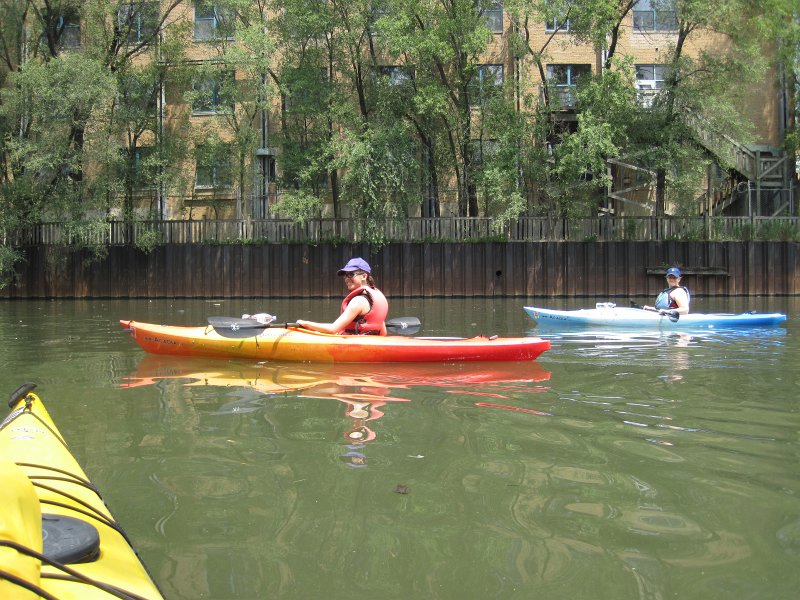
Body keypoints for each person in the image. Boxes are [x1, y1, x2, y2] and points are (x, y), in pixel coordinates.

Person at [296, 257, 389, 335]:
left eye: (351, 274)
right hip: (371, 344)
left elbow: (332, 329)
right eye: (345, 275)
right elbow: (383, 333)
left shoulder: (358, 301)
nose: (346, 278)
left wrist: (305, 323)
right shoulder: (376, 297)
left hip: (355, 346)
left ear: (364, 276)